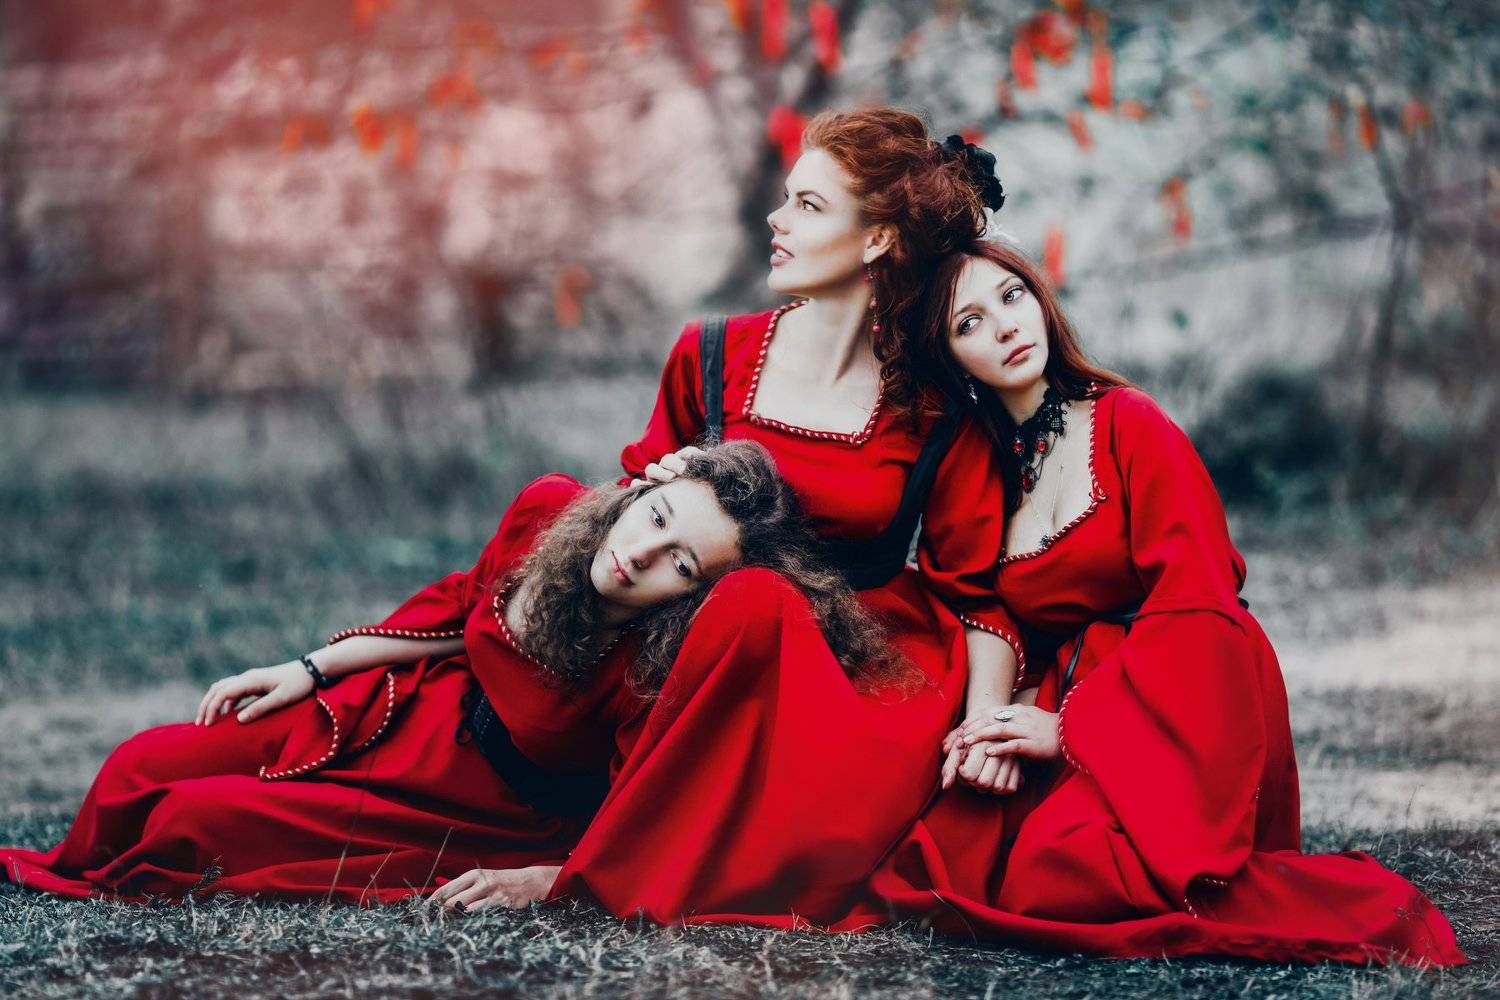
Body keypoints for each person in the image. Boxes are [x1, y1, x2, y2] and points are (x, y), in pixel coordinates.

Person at [850, 239, 1466, 965]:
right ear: (952, 359)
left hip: (1185, 690)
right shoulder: (977, 468)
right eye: (969, 323)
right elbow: (980, 606)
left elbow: (1200, 602)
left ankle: (1357, 905)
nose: (1006, 326)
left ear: (1040, 300)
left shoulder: (1128, 422)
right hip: (1066, 687)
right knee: (942, 859)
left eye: (1012, 297)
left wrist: (1069, 729)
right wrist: (990, 725)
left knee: (1067, 871)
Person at [0, 442, 891, 911]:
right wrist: (305, 669)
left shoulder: (644, 671)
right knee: (141, 766)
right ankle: (59, 861)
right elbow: (454, 609)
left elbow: (638, 809)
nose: (642, 555)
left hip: (467, 809)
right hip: (400, 712)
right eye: (655, 519)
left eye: (681, 566)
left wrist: (548, 879)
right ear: (639, 494)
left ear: (694, 596)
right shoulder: (548, 511)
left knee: (187, 824)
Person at [543, 110, 1031, 925]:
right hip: (696, 652)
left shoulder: (938, 410)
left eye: (807, 205)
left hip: (856, 671)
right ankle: (599, 845)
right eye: (786, 198)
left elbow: (975, 594)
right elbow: (623, 526)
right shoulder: (710, 354)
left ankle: (597, 869)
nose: (776, 220)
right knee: (739, 599)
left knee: (758, 602)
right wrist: (652, 492)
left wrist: (981, 725)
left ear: (877, 239)